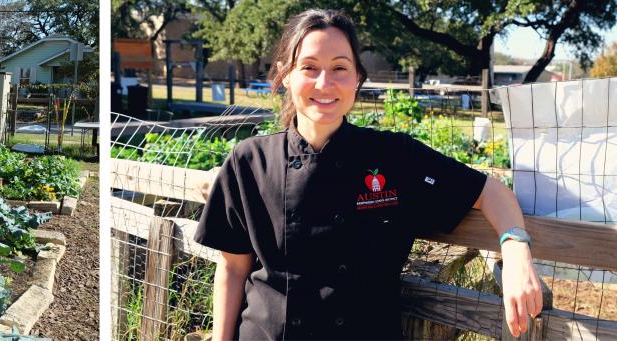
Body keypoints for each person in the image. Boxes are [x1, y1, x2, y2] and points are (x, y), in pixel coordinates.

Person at [194, 9, 543, 340]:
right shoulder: (249, 161)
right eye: (309, 67)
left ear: (358, 77)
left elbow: (490, 192)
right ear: (286, 74)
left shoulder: (394, 157)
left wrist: (515, 251)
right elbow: (233, 270)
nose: (324, 83)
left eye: (339, 68)